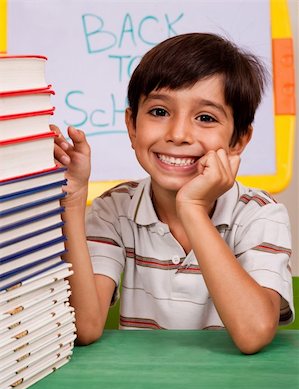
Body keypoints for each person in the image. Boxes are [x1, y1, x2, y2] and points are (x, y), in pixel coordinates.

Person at [53, 32, 294, 354]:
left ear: (238, 140)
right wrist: (72, 198)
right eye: (159, 112)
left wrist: (192, 208)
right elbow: (84, 327)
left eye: (205, 118)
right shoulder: (114, 208)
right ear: (132, 126)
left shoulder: (260, 213)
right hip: (146, 388)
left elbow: (253, 334)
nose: (178, 134)